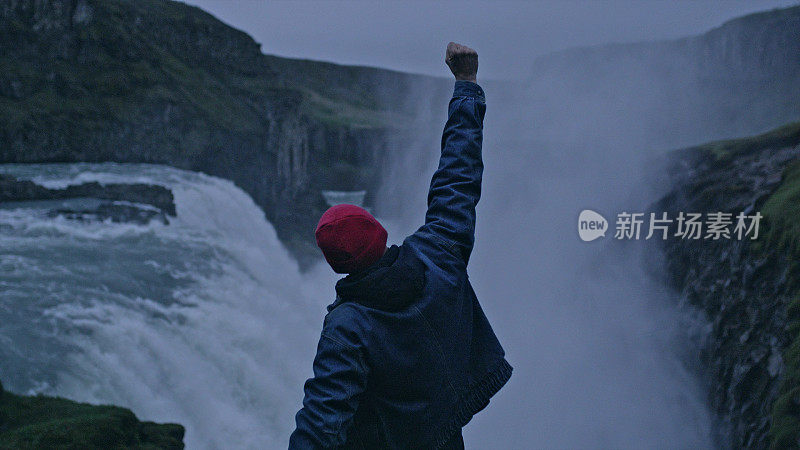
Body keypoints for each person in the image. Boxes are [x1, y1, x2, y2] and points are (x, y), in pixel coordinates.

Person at [289, 42, 512, 450]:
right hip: (445, 433)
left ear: (337, 265)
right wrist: (466, 84)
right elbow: (458, 177)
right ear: (379, 232)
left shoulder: (348, 327)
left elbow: (321, 423)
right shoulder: (438, 251)